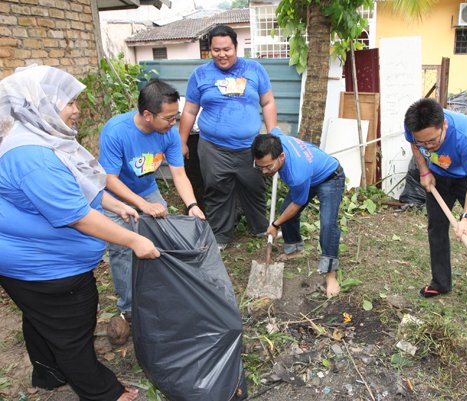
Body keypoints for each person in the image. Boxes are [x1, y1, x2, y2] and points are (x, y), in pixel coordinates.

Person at [0, 65, 159, 401]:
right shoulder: (32, 156)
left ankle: (48, 373)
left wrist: (116, 206)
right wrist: (134, 240)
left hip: (34, 266)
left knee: (41, 320)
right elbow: (76, 215)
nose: (76, 110)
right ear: (40, 104)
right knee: (72, 331)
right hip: (44, 269)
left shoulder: (42, 137)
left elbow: (78, 184)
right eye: (69, 102)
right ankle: (104, 392)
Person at [99, 78, 205, 321]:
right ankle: (128, 306)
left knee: (161, 238)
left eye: (175, 116)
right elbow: (109, 180)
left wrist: (192, 205)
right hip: (116, 198)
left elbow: (179, 173)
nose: (173, 122)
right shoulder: (116, 131)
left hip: (148, 190)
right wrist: (141, 204)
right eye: (168, 118)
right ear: (147, 115)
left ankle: (159, 290)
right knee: (123, 251)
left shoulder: (168, 133)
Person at [404, 98, 467, 324]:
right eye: (423, 142)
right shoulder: (413, 128)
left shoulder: (466, 137)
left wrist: (466, 218)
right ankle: (440, 282)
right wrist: (424, 170)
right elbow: (413, 143)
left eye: (432, 141)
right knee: (436, 227)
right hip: (439, 174)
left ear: (444, 127)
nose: (427, 146)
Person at [179, 24, 278, 250]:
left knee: (254, 187)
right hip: (213, 148)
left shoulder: (254, 70)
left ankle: (260, 227)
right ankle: (221, 235)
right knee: (216, 190)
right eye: (216, 50)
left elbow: (268, 102)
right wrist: (182, 141)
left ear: (236, 47)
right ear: (210, 51)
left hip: (249, 147)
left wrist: (273, 135)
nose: (222, 54)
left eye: (227, 49)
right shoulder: (200, 75)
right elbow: (189, 111)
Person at [251, 128, 345, 298]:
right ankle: (295, 249)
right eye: (260, 167)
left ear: (282, 157)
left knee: (327, 224)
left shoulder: (297, 174)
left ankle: (331, 275)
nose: (264, 171)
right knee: (284, 212)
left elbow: (296, 204)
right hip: (311, 173)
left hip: (330, 177)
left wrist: (275, 225)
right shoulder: (276, 140)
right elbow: (275, 129)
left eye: (268, 167)